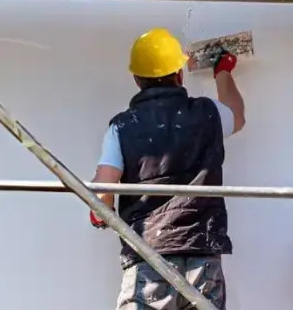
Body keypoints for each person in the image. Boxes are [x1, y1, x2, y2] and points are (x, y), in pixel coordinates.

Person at [89, 28, 246, 309]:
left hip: (149, 255)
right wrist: (223, 72)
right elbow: (236, 117)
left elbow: (104, 187)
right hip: (202, 252)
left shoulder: (122, 126)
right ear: (180, 74)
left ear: (137, 80)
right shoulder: (207, 113)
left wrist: (100, 215)